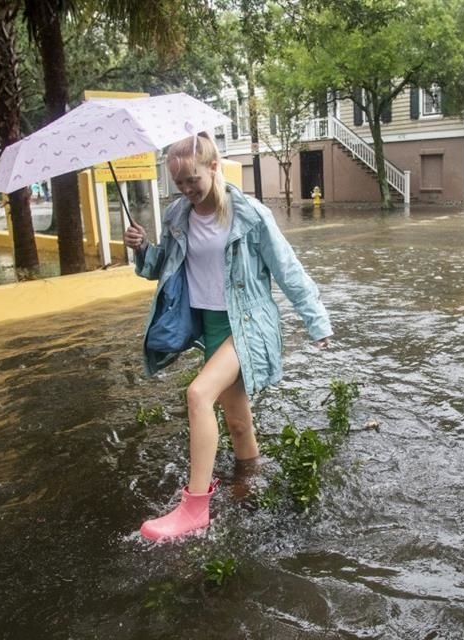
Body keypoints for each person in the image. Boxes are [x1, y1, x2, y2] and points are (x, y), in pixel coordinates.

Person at [123, 132, 332, 542]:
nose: (186, 190)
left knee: (198, 395)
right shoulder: (177, 216)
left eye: (193, 180)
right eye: (179, 183)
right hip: (212, 326)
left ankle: (194, 508)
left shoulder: (249, 214)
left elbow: (287, 270)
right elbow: (163, 268)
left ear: (214, 168)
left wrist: (316, 320)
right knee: (237, 423)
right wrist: (142, 247)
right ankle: (249, 488)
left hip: (249, 323)